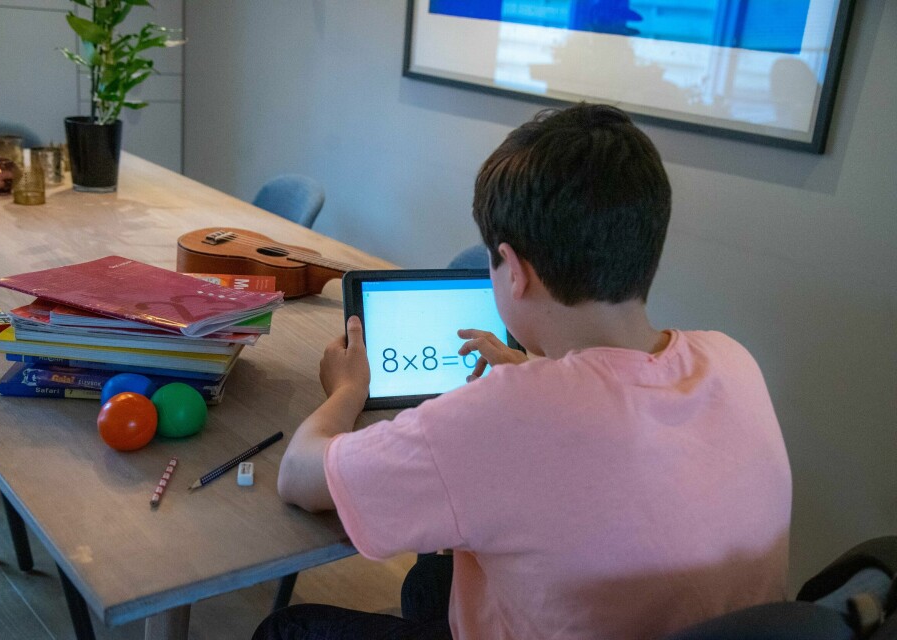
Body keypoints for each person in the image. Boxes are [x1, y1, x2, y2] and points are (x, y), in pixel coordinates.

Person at [254, 103, 792, 639]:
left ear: (514, 270)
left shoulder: (505, 414)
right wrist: (537, 372)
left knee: (289, 628)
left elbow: (299, 476)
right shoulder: (732, 360)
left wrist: (348, 389)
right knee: (432, 580)